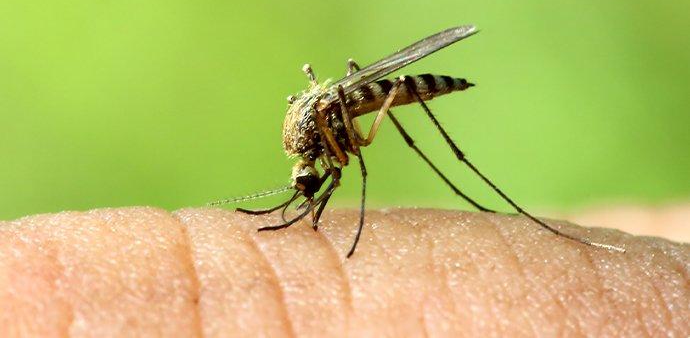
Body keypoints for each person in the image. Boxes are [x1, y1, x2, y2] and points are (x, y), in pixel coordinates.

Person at [0, 207, 687, 336]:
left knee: (385, 112)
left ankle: (473, 183)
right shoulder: (312, 146)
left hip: (369, 99)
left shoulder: (328, 136)